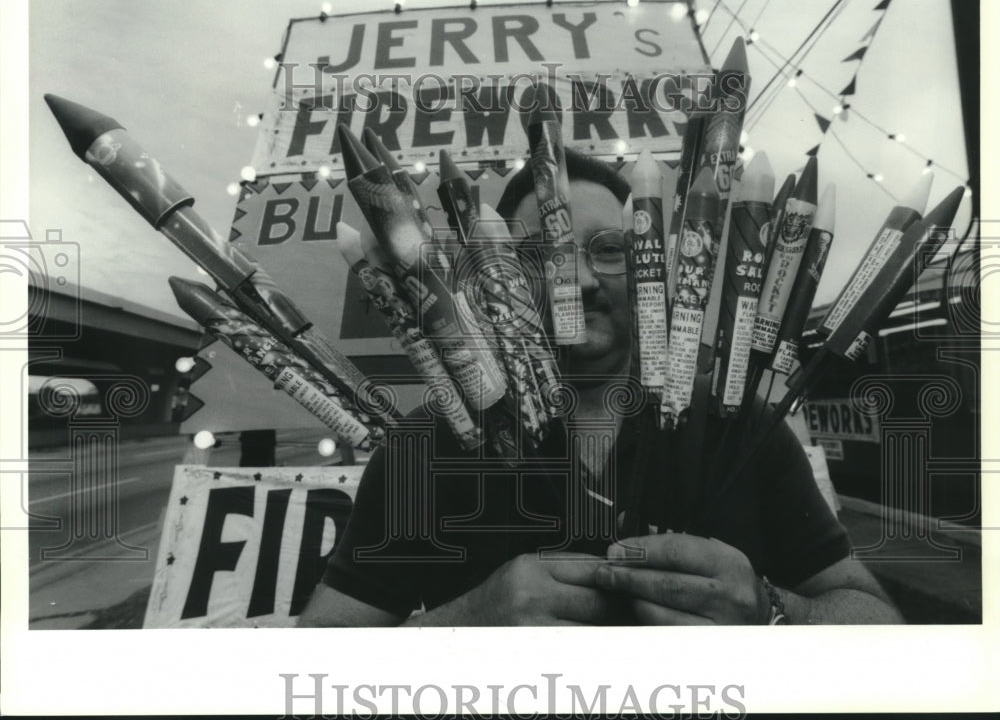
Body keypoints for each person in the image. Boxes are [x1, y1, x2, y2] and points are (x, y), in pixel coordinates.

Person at [299, 149, 902, 626]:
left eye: (610, 250)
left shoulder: (735, 416)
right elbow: (321, 654)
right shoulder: (426, 443)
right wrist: (462, 626)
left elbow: (875, 620)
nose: (580, 279)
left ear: (650, 265)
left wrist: (771, 608)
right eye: (542, 256)